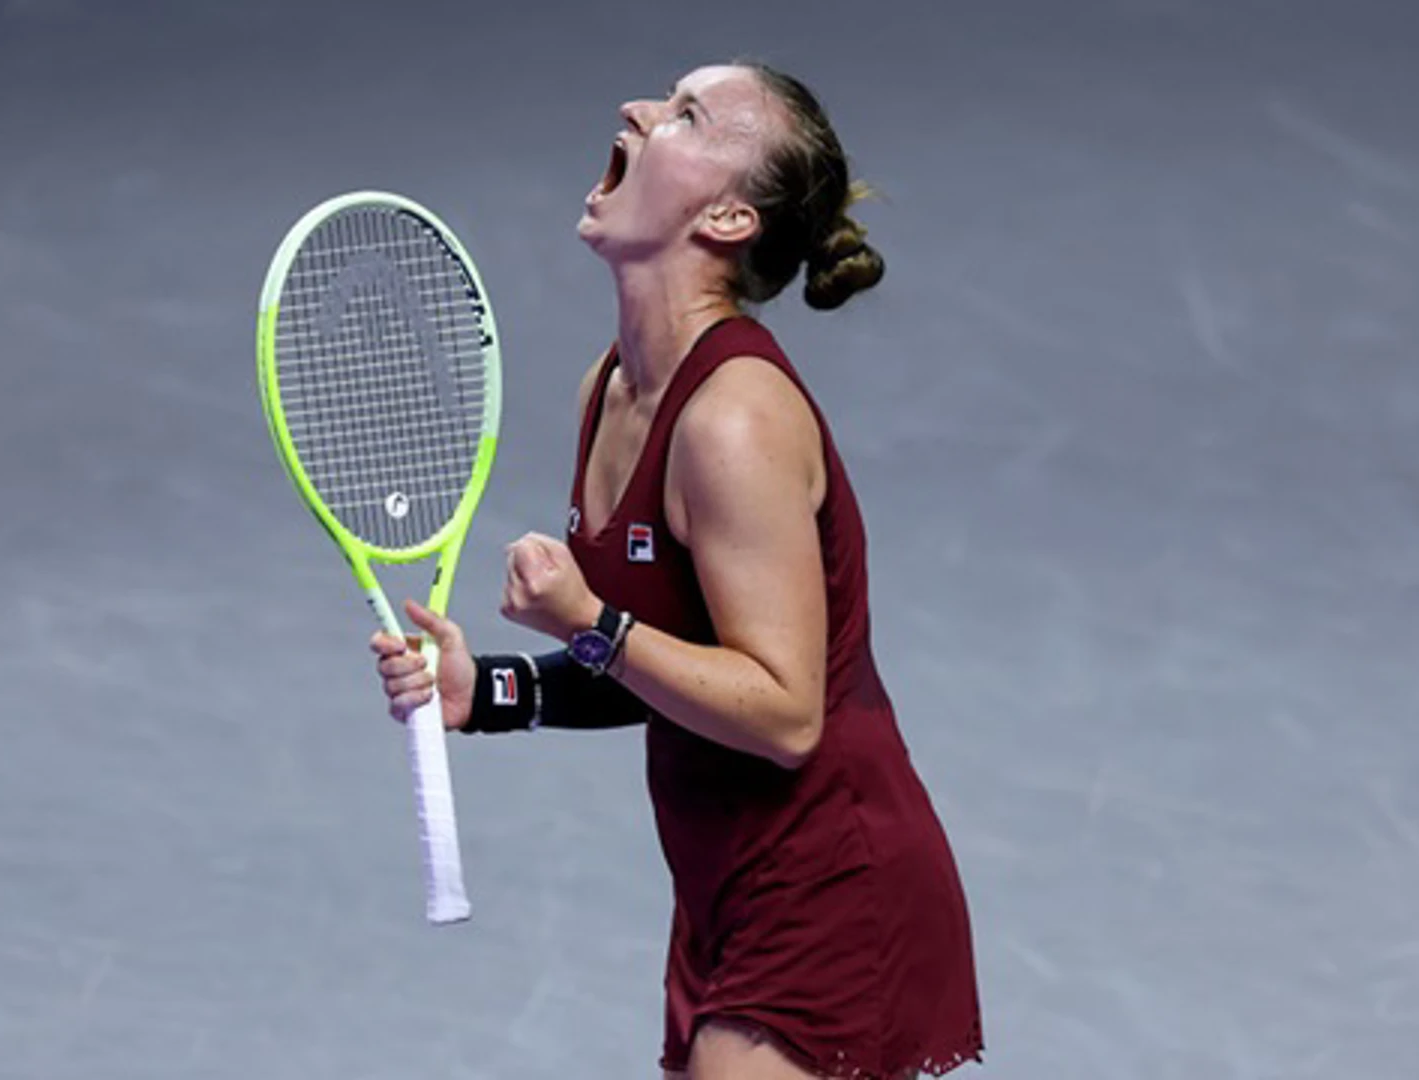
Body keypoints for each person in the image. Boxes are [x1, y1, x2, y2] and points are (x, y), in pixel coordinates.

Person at [370, 61, 983, 1080]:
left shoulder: (733, 419)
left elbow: (785, 714)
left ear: (731, 218)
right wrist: (493, 691)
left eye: (688, 115)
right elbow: (684, 672)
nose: (638, 112)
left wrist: (589, 623)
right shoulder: (608, 392)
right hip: (721, 897)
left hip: (829, 883)